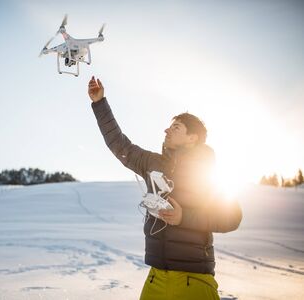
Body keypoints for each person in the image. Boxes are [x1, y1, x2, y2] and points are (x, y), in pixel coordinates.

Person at [87, 76, 242, 300]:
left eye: (175, 127)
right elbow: (119, 144)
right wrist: (99, 103)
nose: (166, 130)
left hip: (194, 280)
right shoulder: (153, 163)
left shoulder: (207, 172)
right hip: (155, 278)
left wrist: (183, 217)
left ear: (192, 138)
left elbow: (232, 217)